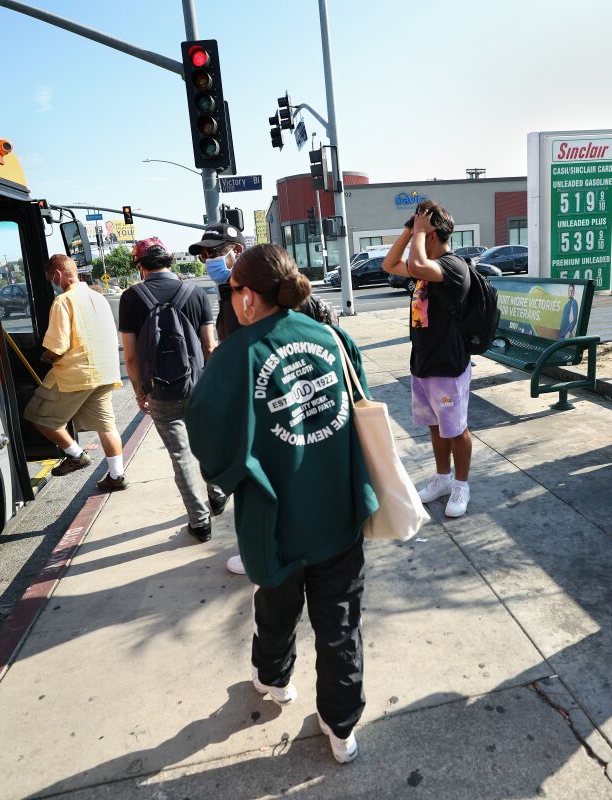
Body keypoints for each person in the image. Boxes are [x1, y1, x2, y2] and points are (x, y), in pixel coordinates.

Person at [184, 244, 377, 764]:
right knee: (340, 625)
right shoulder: (330, 338)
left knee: (275, 604)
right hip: (336, 510)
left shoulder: (235, 356)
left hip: (275, 520)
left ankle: (272, 678)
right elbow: (355, 404)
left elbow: (206, 433)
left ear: (248, 297)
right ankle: (341, 728)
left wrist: (234, 470)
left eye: (233, 292)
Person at [118, 238, 226, 541]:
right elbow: (209, 345)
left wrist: (141, 393)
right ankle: (216, 494)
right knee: (206, 445)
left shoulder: (131, 298)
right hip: (198, 387)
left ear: (140, 266)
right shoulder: (195, 293)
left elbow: (130, 356)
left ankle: (200, 522)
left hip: (161, 392)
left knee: (180, 456)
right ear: (169, 261)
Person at [382, 200, 474, 517]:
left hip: (448, 366)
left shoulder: (452, 266)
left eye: (422, 231)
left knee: (456, 429)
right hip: (422, 364)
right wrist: (410, 230)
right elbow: (389, 263)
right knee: (435, 427)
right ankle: (442, 478)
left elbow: (419, 265)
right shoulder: (425, 266)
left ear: (432, 235)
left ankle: (462, 484)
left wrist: (419, 232)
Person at [25, 254, 126, 491]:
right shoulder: (98, 297)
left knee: (39, 416)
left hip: (75, 374)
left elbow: (57, 346)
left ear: (58, 275)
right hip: (105, 372)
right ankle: (117, 476)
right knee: (107, 426)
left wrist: (44, 358)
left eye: (51, 278)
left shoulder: (63, 301)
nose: (53, 282)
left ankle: (76, 454)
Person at [188, 222, 247, 344]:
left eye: (212, 252)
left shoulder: (254, 291)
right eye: (203, 256)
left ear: (237, 250)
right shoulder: (228, 291)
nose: (208, 260)